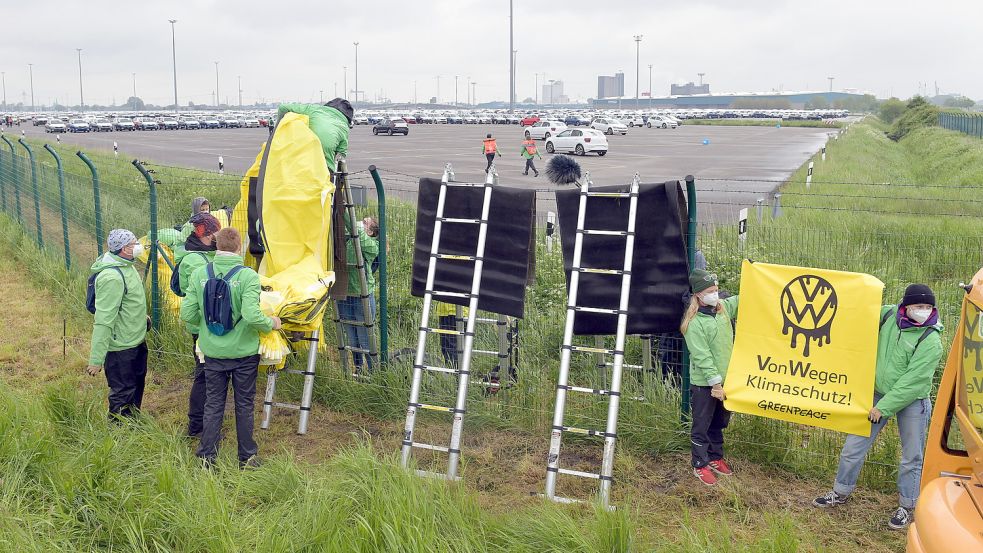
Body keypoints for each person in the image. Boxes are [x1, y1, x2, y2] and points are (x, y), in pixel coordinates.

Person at [813, 284, 943, 530]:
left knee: (911, 456)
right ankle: (840, 492)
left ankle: (907, 506)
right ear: (905, 306)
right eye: (918, 306)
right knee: (853, 446)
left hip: (912, 401)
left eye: (928, 307)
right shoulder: (887, 315)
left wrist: (883, 407)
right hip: (876, 394)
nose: (923, 311)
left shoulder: (931, 339)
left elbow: (913, 381)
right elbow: (860, 313)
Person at [181, 228, 281, 468]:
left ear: (216, 246)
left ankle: (207, 457)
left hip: (212, 351)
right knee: (244, 403)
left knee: (213, 403)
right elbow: (251, 315)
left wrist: (205, 328)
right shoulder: (247, 276)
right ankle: (246, 457)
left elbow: (187, 314)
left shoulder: (199, 273)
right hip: (243, 352)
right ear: (239, 248)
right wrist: (271, 324)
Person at [681, 268, 739, 486]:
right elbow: (703, 357)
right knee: (702, 425)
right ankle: (700, 463)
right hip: (705, 384)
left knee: (719, 421)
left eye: (716, 290)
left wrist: (755, 273)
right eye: (710, 291)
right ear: (698, 295)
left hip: (726, 381)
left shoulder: (723, 308)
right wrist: (715, 384)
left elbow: (743, 299)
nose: (715, 295)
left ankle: (715, 457)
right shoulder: (693, 324)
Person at [86, 229, 149, 421]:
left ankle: (133, 422)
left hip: (136, 339)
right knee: (122, 391)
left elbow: (129, 301)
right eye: (133, 244)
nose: (138, 246)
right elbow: (104, 321)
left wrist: (141, 317)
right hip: (121, 346)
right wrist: (96, 360)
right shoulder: (111, 278)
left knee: (136, 384)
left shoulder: (127, 266)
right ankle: (118, 433)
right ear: (123, 249)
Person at [176, 212, 220, 438]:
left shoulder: (202, 255)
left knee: (207, 373)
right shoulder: (194, 260)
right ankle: (197, 425)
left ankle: (203, 422)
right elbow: (200, 295)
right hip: (202, 327)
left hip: (206, 324)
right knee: (204, 374)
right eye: (216, 232)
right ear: (208, 234)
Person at [658, 250, 708, 385]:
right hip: (672, 311)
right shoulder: (665, 254)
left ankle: (679, 387)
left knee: (685, 352)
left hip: (687, 311)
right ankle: (670, 386)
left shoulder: (695, 255)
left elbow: (699, 286)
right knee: (671, 351)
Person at [339, 217, 380, 374]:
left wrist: (346, 210)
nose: (360, 223)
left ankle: (373, 373)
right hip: (345, 294)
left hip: (362, 296)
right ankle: (357, 370)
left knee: (365, 339)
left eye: (365, 223)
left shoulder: (371, 245)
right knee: (352, 338)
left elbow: (356, 231)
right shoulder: (350, 239)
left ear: (370, 232)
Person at [277, 98, 353, 173]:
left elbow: (283, 108)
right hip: (324, 168)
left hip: (298, 161)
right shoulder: (344, 126)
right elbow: (341, 154)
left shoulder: (314, 109)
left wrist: (277, 131)